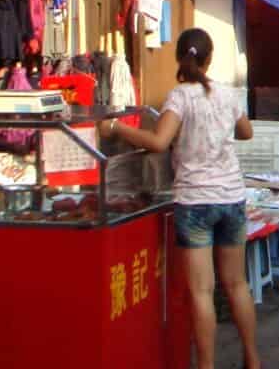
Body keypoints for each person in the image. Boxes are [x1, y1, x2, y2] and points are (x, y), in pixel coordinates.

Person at [99, 29, 259, 369]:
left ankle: (206, 366)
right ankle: (253, 358)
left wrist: (117, 129)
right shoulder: (228, 94)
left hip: (195, 201)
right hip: (231, 197)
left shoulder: (180, 97)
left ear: (181, 59)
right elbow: (246, 132)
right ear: (209, 58)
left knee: (202, 291)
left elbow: (158, 142)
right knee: (237, 284)